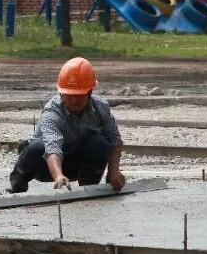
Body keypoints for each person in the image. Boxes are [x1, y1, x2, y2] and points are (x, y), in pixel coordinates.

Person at [9, 57, 126, 192]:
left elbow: (115, 140)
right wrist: (58, 175)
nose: (74, 100)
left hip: (76, 163)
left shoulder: (101, 108)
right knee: (36, 148)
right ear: (61, 93)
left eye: (79, 95)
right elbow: (52, 147)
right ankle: (17, 186)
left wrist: (114, 171)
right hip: (45, 165)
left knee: (99, 143)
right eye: (69, 95)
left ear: (89, 92)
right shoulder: (51, 112)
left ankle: (88, 190)